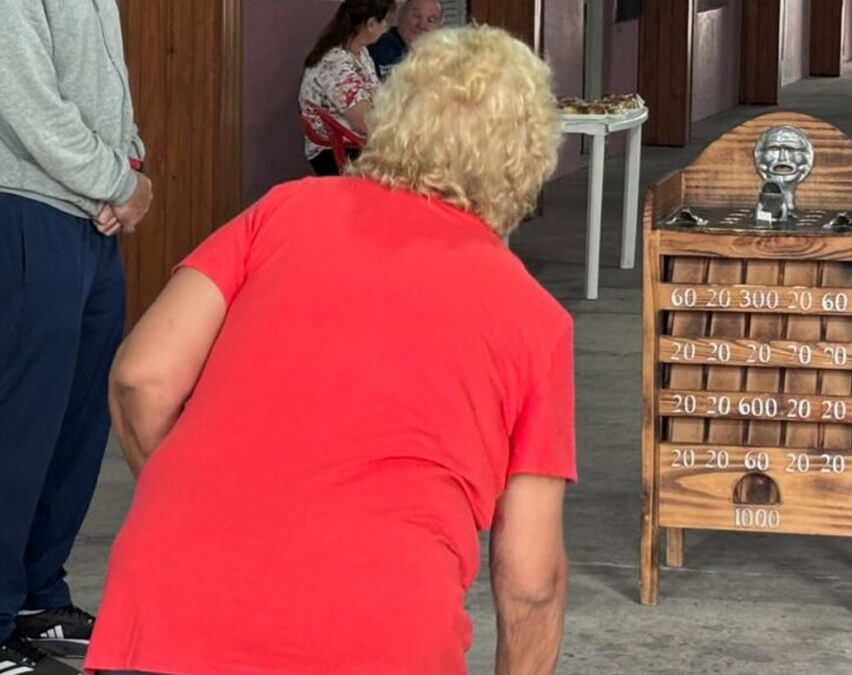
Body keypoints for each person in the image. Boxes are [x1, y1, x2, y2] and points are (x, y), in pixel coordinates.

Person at [85, 25, 573, 675]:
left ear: (395, 114)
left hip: (169, 614)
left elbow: (141, 379)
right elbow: (531, 579)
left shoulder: (283, 212)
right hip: (378, 637)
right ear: (528, 161)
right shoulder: (536, 320)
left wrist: (223, 522)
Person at [0, 2, 152, 674]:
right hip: (28, 206)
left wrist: (130, 160)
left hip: (89, 219)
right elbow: (23, 98)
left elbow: (103, 84)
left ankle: (36, 595)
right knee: (21, 429)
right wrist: (118, 180)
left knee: (75, 426)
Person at [299, 0, 392, 176]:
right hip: (337, 150)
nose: (387, 27)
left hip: (358, 143)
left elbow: (378, 98)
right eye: (384, 21)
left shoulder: (361, 53)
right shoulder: (335, 63)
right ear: (371, 24)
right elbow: (365, 120)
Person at [368, 0, 444, 78]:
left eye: (430, 20)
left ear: (439, 27)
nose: (422, 25)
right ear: (400, 15)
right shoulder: (375, 47)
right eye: (416, 16)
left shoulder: (445, 55)